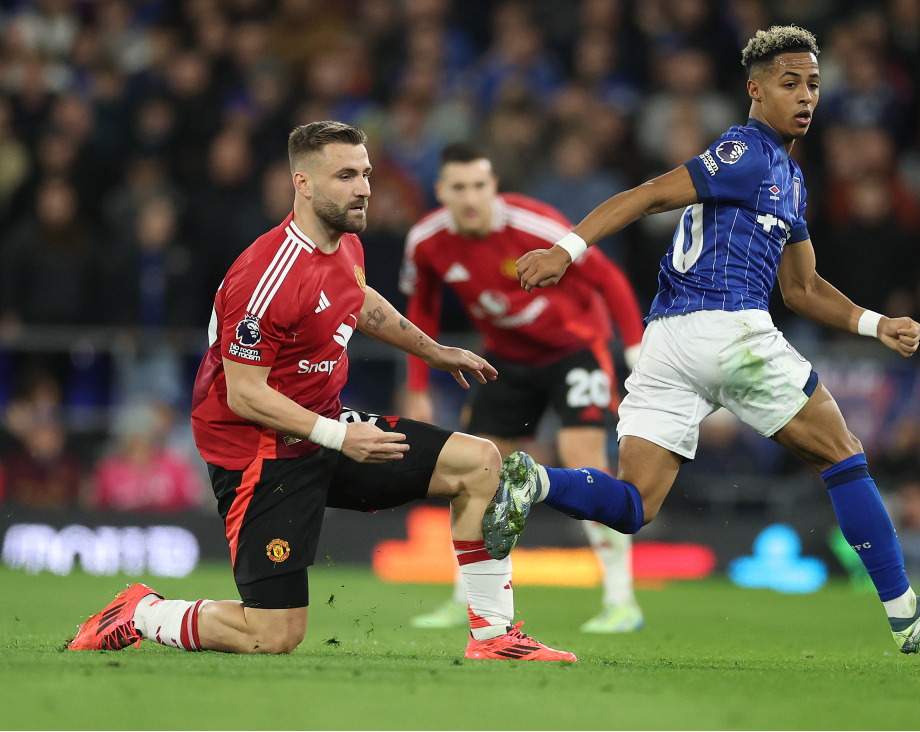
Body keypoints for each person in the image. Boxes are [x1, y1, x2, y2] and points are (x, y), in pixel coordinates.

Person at [504, 26, 920, 654]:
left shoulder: (789, 178)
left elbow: (804, 290)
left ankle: (532, 482)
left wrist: (874, 324)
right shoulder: (747, 151)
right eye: (790, 84)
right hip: (727, 325)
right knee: (842, 454)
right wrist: (568, 249)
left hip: (668, 340)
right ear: (755, 91)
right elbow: (649, 195)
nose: (805, 96)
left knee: (634, 505)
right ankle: (904, 611)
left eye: (812, 84)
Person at [67, 121, 575, 662]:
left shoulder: (345, 245)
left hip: (325, 425)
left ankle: (494, 637)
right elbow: (243, 394)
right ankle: (141, 612)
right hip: (259, 455)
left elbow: (359, 298)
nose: (364, 188)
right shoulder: (266, 275)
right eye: (346, 176)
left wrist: (433, 351)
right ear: (303, 184)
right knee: (273, 636)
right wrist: (339, 436)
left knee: (479, 463)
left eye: (366, 174)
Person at [401, 142, 646, 633]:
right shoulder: (426, 241)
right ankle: (465, 597)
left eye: (478, 186)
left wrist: (635, 353)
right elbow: (422, 306)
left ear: (493, 187)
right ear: (441, 191)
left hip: (575, 348)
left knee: (585, 463)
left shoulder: (534, 226)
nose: (470, 198)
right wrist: (418, 384)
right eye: (458, 188)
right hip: (506, 359)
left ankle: (622, 600)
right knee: (477, 471)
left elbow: (609, 278)